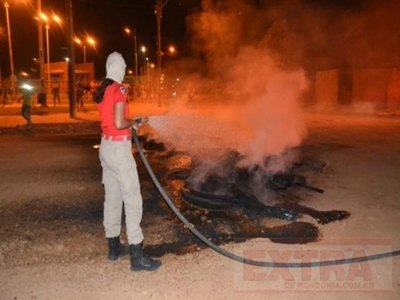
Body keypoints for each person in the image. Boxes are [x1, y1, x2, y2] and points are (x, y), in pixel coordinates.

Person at [93, 51, 161, 272]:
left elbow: (111, 120)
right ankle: (137, 255)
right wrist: (135, 122)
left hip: (105, 147)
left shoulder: (103, 90)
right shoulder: (120, 89)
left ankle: (113, 247)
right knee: (132, 199)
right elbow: (120, 121)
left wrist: (130, 122)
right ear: (120, 68)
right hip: (119, 151)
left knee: (112, 198)